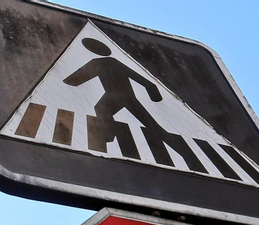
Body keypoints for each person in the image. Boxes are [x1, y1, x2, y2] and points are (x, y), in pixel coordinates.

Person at [62, 36, 206, 172]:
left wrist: (153, 92)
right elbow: (78, 78)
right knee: (146, 124)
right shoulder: (105, 62)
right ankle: (109, 135)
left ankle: (108, 135)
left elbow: (77, 79)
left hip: (118, 97)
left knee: (107, 110)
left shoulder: (100, 63)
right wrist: (152, 91)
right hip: (123, 97)